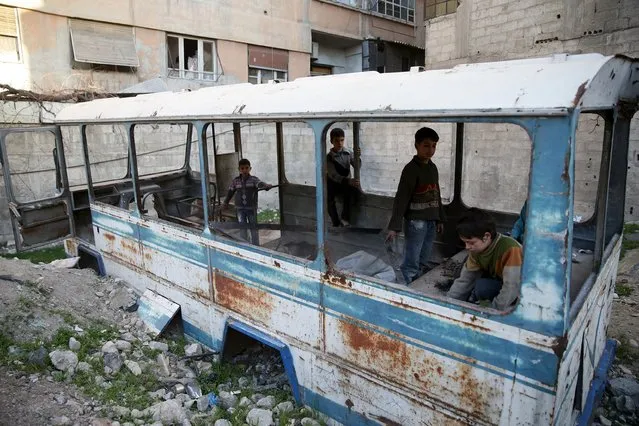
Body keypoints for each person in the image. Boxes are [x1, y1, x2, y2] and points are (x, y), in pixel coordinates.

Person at [386, 127, 445, 284]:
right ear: (416, 145)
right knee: (412, 257)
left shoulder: (433, 168)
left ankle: (417, 283)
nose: (430, 150)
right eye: (426, 145)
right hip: (416, 222)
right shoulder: (411, 169)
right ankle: (407, 286)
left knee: (424, 257)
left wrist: (440, 219)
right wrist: (395, 226)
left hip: (431, 220)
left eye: (434, 145)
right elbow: (401, 198)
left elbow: (436, 194)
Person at [447, 208, 523, 310]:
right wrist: (448, 302)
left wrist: (493, 311)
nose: (467, 247)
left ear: (486, 236)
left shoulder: (511, 249)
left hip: (522, 290)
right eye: (465, 242)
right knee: (470, 280)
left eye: (471, 242)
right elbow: (466, 280)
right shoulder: (476, 251)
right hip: (500, 279)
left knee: (482, 288)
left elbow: (511, 287)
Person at [222, 159, 272, 244]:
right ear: (239, 169)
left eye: (246, 168)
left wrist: (266, 186)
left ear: (250, 168)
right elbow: (230, 192)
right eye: (242, 168)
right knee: (242, 227)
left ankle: (256, 246)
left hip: (251, 208)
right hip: (240, 209)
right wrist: (225, 202)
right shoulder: (236, 181)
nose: (244, 170)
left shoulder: (253, 180)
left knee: (253, 227)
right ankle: (244, 244)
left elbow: (260, 184)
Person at [326, 128, 361, 227]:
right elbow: (333, 175)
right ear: (331, 141)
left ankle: (345, 218)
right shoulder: (329, 157)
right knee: (329, 199)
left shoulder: (348, 153)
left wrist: (357, 157)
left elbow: (357, 166)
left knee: (351, 193)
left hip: (345, 183)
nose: (340, 143)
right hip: (334, 183)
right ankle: (335, 221)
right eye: (336, 140)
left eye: (342, 140)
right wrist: (348, 181)